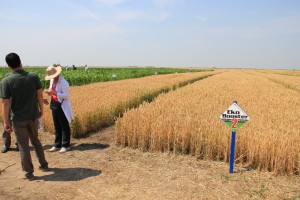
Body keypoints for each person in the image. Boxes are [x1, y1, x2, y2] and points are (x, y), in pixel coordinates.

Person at [1, 53, 49, 181]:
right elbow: (39, 95)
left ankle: (29, 173)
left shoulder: (6, 81)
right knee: (36, 141)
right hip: (33, 115)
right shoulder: (33, 76)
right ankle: (43, 164)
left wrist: (6, 121)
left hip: (17, 119)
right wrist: (41, 110)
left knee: (23, 145)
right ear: (20, 61)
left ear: (8, 66)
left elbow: (5, 103)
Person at [44, 65, 74, 153]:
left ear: (57, 74)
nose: (53, 78)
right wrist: (48, 91)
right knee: (56, 125)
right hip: (54, 104)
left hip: (62, 105)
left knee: (64, 125)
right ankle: (57, 145)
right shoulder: (52, 80)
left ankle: (66, 145)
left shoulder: (64, 82)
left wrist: (54, 92)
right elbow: (51, 90)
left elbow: (66, 96)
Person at [1, 73, 19, 153]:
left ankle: (19, 144)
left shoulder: (18, 87)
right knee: (6, 127)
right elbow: (4, 101)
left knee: (18, 127)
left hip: (17, 109)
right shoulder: (4, 87)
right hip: (8, 109)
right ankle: (6, 144)